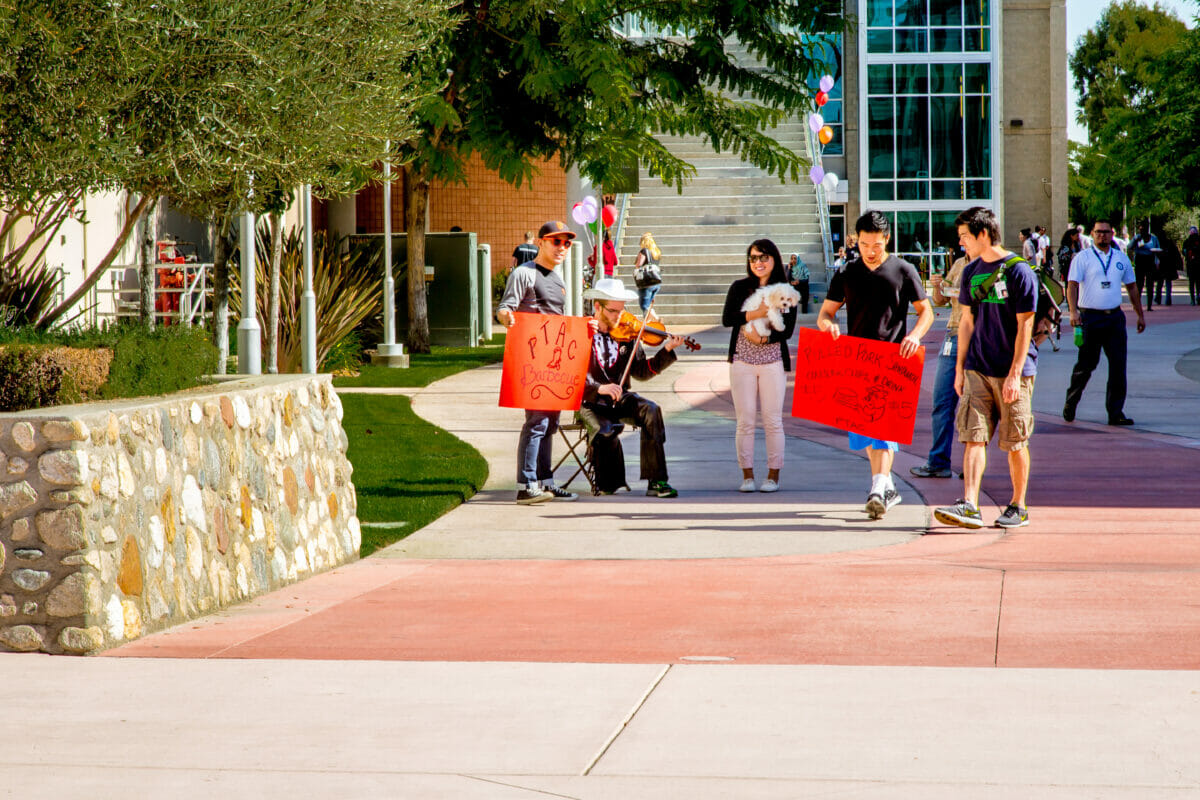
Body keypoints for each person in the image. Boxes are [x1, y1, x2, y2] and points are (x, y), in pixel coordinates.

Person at [817, 211, 934, 520]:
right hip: (856, 361)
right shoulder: (847, 273)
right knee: (865, 434)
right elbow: (825, 313)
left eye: (876, 245)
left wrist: (915, 335)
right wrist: (827, 326)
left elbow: (927, 312)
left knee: (881, 427)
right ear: (856, 240)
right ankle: (888, 487)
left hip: (893, 361)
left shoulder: (904, 270)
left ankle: (877, 489)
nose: (870, 251)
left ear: (887, 239)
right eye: (864, 244)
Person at [934, 207, 1038, 530]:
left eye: (965, 236)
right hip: (978, 368)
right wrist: (960, 367)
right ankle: (969, 504)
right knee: (972, 436)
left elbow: (1026, 326)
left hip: (1012, 371)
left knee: (1014, 441)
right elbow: (966, 322)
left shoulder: (1019, 272)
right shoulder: (970, 272)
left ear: (983, 234)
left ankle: (1017, 505)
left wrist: (1015, 373)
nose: (961, 242)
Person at [496, 220, 580, 505]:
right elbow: (505, 307)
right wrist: (506, 318)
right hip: (533, 362)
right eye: (556, 241)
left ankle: (546, 482)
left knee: (551, 423)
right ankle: (526, 484)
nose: (562, 247)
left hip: (555, 363)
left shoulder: (558, 281)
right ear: (541, 242)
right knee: (537, 422)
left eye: (566, 243)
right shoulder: (524, 273)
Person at [579, 278, 686, 498]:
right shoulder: (581, 333)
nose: (619, 317)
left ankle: (656, 481)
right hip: (589, 401)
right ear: (597, 307)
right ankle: (609, 479)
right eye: (613, 311)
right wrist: (599, 388)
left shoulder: (627, 336)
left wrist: (667, 350)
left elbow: (643, 372)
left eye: (621, 310)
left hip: (620, 398)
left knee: (651, 410)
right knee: (604, 431)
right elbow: (571, 377)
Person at [722, 239, 798, 493]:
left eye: (763, 257)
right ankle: (747, 476)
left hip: (772, 362)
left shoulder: (785, 290)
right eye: (753, 258)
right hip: (742, 361)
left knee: (773, 420)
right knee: (744, 421)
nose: (758, 263)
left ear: (774, 259)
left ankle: (773, 476)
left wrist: (763, 338)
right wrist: (756, 314)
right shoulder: (739, 287)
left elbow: (786, 331)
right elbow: (727, 319)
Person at [1062, 219, 1145, 427]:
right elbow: (1071, 286)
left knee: (1118, 366)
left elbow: (1132, 287)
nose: (1102, 236)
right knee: (1086, 365)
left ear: (1112, 233)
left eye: (1106, 232)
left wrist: (1140, 314)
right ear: (1092, 234)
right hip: (1090, 317)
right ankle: (1071, 402)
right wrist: (1072, 312)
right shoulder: (1083, 258)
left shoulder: (1120, 258)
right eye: (1098, 232)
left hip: (1114, 318)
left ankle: (1115, 412)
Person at [910, 251, 970, 479]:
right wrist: (937, 285)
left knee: (974, 404)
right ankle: (938, 461)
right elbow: (940, 300)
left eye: (965, 235)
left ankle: (972, 463)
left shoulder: (991, 265)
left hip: (979, 338)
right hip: (953, 334)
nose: (962, 241)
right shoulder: (959, 263)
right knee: (942, 401)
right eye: (961, 236)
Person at [1131, 222, 1160, 310]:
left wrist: (1157, 261)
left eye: (1143, 228)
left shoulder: (1154, 238)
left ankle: (1149, 306)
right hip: (1140, 261)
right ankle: (1137, 305)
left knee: (1150, 285)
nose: (1142, 230)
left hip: (1150, 261)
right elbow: (1129, 246)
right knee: (1139, 285)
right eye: (1140, 229)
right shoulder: (1137, 238)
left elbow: (1158, 249)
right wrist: (1135, 241)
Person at [632, 232, 663, 313]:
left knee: (644, 306)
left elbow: (639, 265)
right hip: (656, 280)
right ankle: (650, 320)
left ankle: (655, 318)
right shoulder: (656, 252)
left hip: (646, 281)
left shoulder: (644, 251)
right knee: (648, 305)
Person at [1152, 231, 1181, 307]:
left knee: (1160, 283)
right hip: (1169, 266)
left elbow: (1155, 254)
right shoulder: (1170, 243)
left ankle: (1158, 298)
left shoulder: (1158, 243)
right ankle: (1168, 299)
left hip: (1161, 265)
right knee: (1168, 283)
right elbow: (1176, 254)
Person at [1183, 226, 1200, 305]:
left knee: (1191, 282)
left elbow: (1184, 252)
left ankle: (1192, 299)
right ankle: (1198, 297)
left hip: (1191, 264)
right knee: (1198, 282)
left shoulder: (1187, 241)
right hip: (1197, 264)